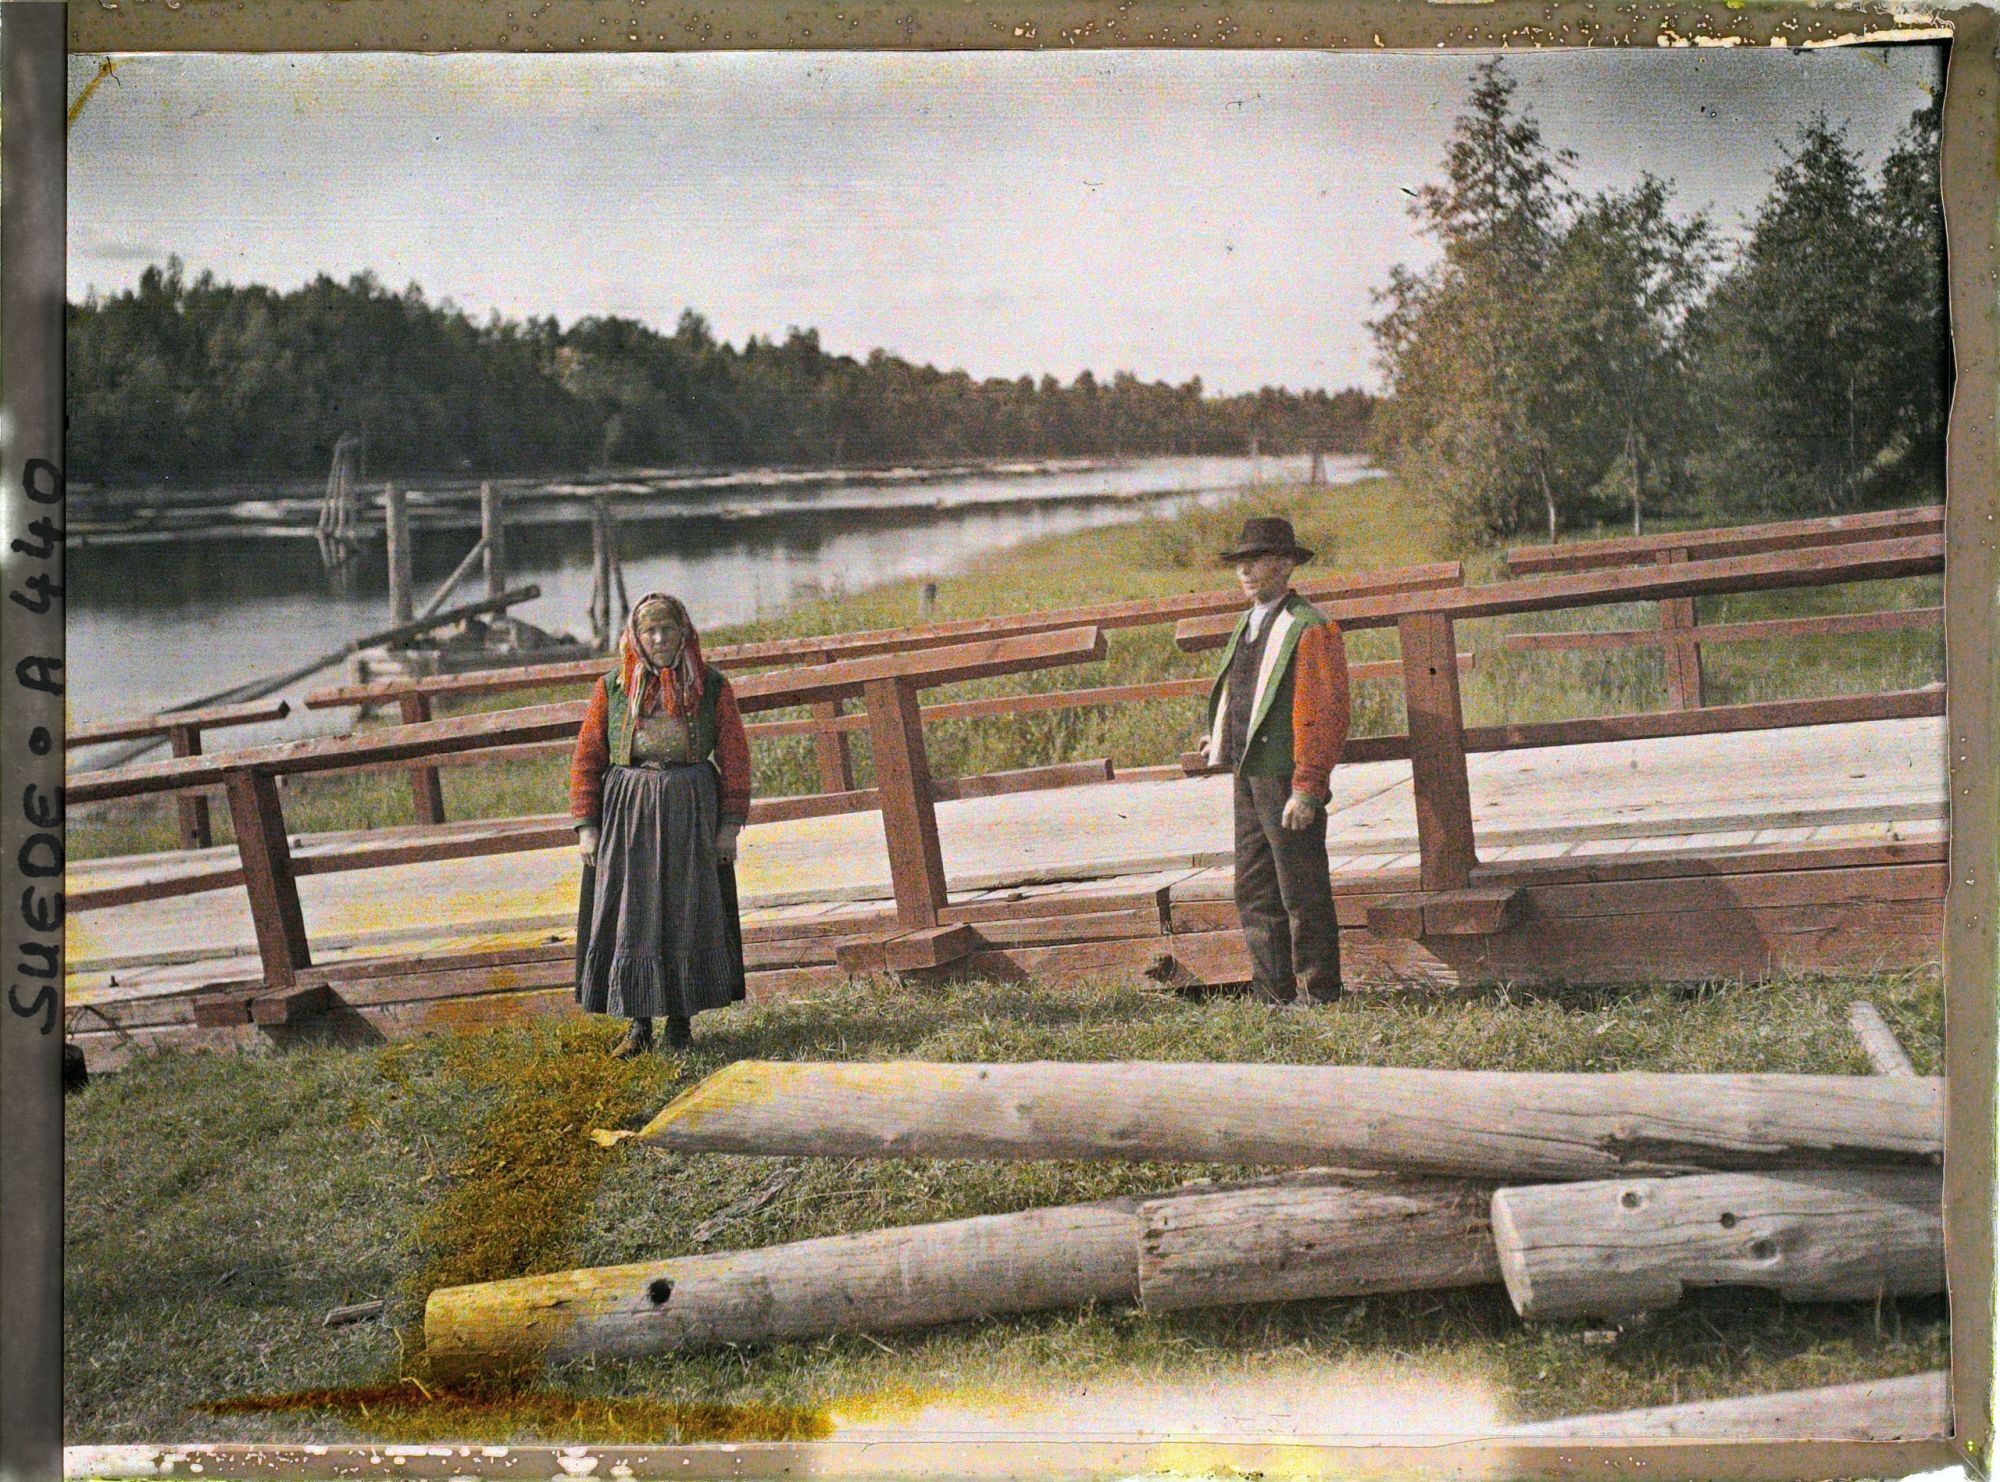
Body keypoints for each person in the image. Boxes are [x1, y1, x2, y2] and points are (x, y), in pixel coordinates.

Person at [569, 592, 751, 1056]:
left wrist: (729, 824)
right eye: (650, 631)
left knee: (687, 909)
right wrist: (587, 825)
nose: (659, 639)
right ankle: (637, 1025)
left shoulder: (710, 687)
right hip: (628, 814)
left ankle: (681, 1025)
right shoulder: (612, 688)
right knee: (633, 912)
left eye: (667, 629)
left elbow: (734, 756)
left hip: (690, 810)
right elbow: (589, 756)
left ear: (683, 632)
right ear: (636, 637)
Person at [1201, 516, 1351, 1004]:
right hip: (1248, 775)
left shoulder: (1309, 628)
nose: (1246, 572)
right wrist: (1220, 737)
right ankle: (1272, 995)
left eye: (1258, 562)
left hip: (1286, 777)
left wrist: (1308, 787)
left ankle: (1320, 995)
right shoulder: (1248, 623)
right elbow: (1242, 692)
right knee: (1255, 889)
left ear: (1286, 565)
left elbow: (1325, 713)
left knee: (1301, 892)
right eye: (1241, 563)